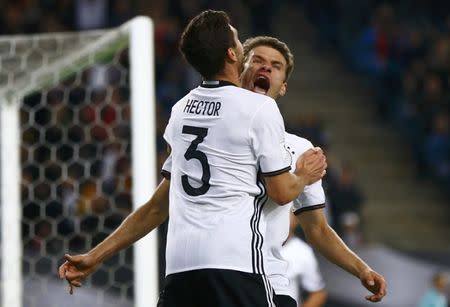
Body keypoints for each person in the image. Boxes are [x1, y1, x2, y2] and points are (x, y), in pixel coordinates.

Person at [59, 10, 327, 307]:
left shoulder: (180, 110)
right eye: (238, 40)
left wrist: (95, 256)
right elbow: (280, 193)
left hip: (181, 267)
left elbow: (156, 208)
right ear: (231, 54)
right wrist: (303, 173)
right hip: (235, 264)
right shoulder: (258, 109)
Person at [240, 35, 386, 306]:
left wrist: (362, 269)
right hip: (211, 272)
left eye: (276, 65)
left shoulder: (299, 149)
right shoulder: (207, 131)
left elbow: (317, 229)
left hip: (269, 282)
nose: (266, 68)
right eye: (257, 60)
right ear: (239, 72)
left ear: (283, 87)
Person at [281, 213, 327, 307]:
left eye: (286, 211)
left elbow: (318, 293)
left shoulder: (302, 251)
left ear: (297, 219)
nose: (281, 216)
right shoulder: (252, 246)